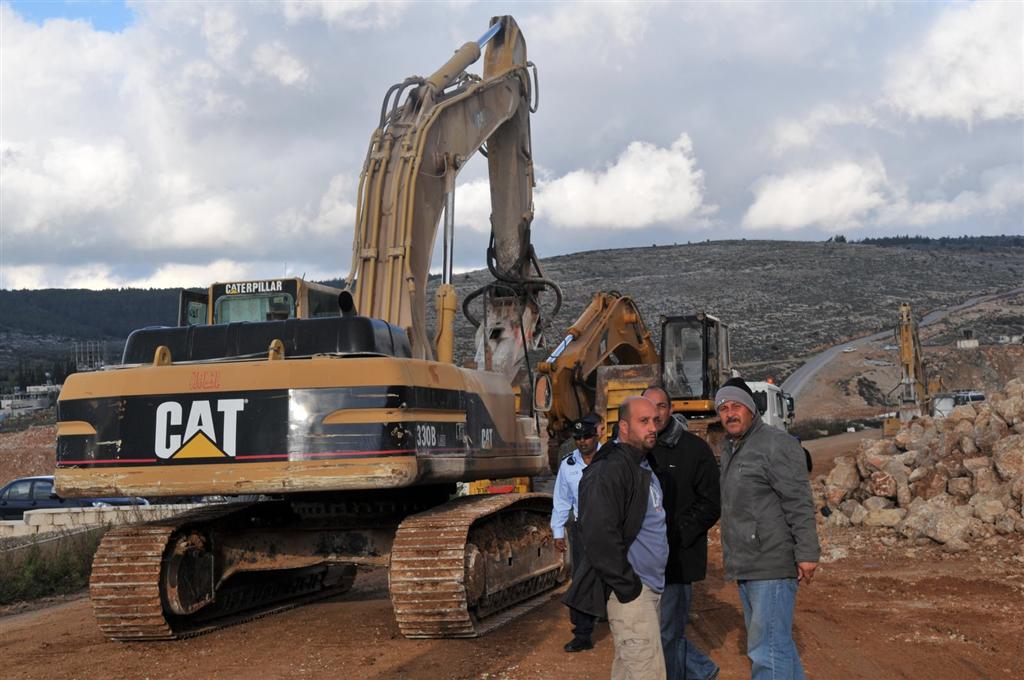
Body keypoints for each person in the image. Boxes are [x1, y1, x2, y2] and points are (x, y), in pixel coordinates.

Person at [715, 377, 820, 680]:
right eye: (723, 408)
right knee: (776, 647)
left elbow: (799, 501)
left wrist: (807, 553)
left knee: (766, 651)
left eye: (736, 406)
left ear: (750, 409)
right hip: (746, 562)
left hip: (770, 563)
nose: (730, 413)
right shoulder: (731, 448)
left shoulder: (776, 444)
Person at [563, 396, 668, 680]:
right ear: (623, 427)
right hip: (633, 593)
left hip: (647, 590)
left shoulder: (641, 463)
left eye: (655, 420)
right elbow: (598, 536)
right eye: (643, 421)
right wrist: (628, 586)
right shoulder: (609, 469)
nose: (652, 427)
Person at [642, 386, 721, 680]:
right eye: (649, 407)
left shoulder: (694, 450)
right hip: (639, 563)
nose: (656, 413)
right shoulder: (634, 450)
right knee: (650, 634)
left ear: (670, 409)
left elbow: (711, 503)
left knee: (667, 634)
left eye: (661, 406)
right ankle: (701, 670)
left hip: (676, 562)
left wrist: (676, 534)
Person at [551, 414, 603, 652]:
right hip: (582, 529)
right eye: (578, 438)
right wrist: (557, 531)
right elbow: (562, 500)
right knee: (581, 580)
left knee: (612, 575)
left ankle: (607, 614)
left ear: (597, 435)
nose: (583, 442)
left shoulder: (610, 460)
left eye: (587, 437)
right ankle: (582, 633)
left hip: (609, 528)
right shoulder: (569, 464)